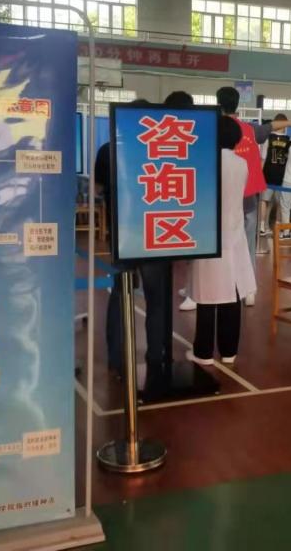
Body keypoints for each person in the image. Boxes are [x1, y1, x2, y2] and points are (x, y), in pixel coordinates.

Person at [104, 95, 183, 376]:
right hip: (154, 236)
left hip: (123, 237)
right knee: (157, 300)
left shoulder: (107, 150)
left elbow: (100, 190)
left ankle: (116, 358)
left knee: (119, 296)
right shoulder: (161, 153)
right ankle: (156, 354)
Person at [186, 115, 257, 366]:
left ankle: (204, 352)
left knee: (206, 295)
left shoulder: (204, 162)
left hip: (208, 234)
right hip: (234, 234)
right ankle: (229, 351)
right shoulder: (242, 164)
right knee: (232, 292)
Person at [216, 86, 291, 307]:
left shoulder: (213, 129)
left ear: (218, 103)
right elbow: (271, 127)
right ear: (238, 104)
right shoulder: (250, 129)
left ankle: (216, 286)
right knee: (247, 244)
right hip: (248, 195)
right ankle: (248, 288)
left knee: (219, 243)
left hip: (221, 199)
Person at [259, 113, 291, 237]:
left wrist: (259, 175)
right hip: (282, 176)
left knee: (264, 200)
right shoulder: (288, 140)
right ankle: (277, 226)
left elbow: (263, 159)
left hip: (268, 173)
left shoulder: (268, 138)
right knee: (279, 203)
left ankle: (262, 225)